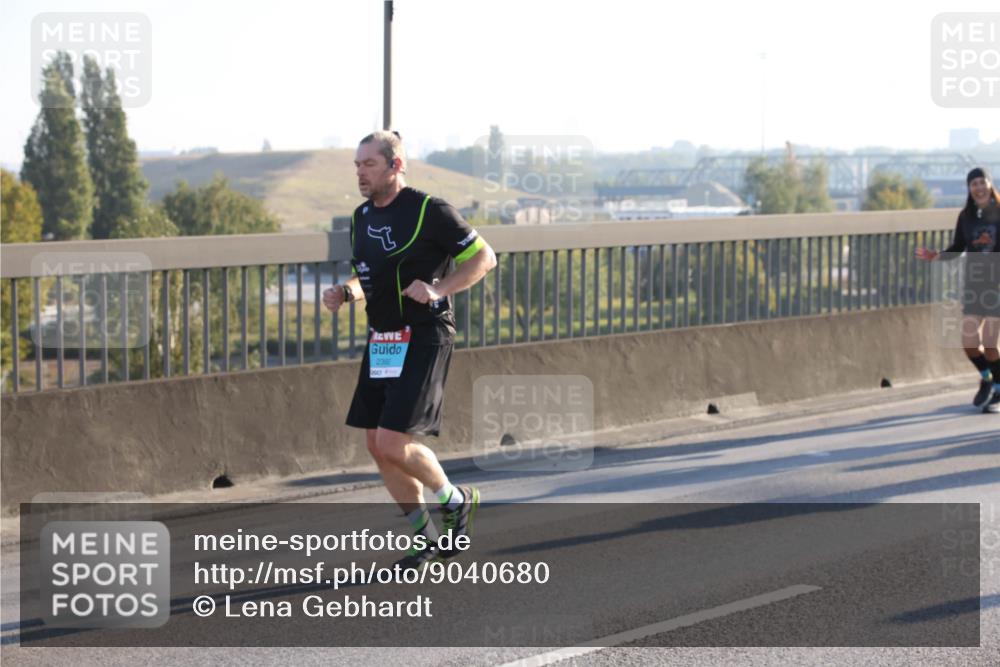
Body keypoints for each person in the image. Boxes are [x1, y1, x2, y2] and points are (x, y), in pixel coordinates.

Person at [323, 130, 497, 569]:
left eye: (369, 164)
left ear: (395, 165)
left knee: (392, 441)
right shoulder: (361, 217)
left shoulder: (429, 210)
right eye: (358, 165)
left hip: (424, 334)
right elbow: (369, 277)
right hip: (384, 339)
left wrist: (439, 289)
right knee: (376, 445)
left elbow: (484, 258)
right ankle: (423, 537)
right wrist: (345, 293)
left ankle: (455, 500)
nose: (361, 172)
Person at [916, 166, 1000, 413]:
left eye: (982, 183)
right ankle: (987, 379)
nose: (978, 188)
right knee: (970, 343)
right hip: (974, 286)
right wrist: (936, 256)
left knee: (991, 343)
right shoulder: (966, 217)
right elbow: (958, 246)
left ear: (989, 184)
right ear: (969, 189)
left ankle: (998, 390)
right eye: (974, 184)